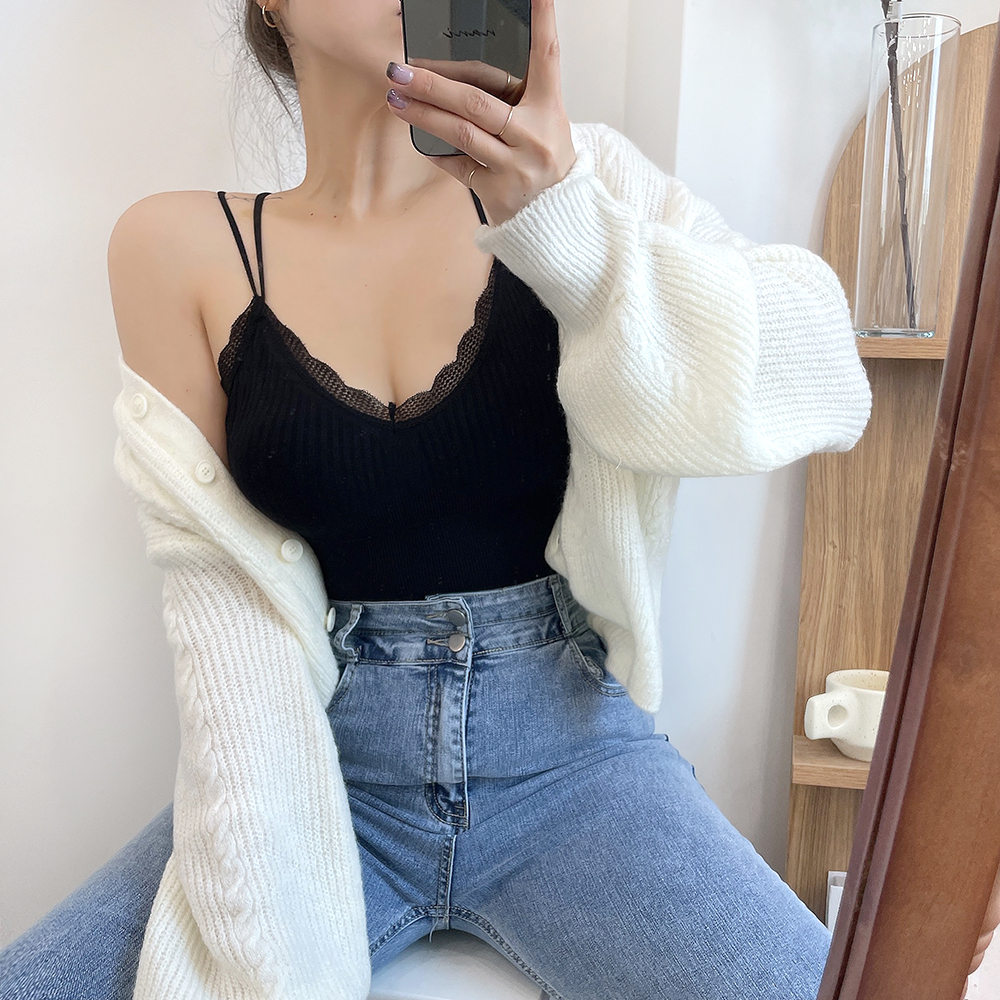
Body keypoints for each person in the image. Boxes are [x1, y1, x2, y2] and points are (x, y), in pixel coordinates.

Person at [0, 0, 873, 997]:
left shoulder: (568, 174)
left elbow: (820, 372)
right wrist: (259, 922)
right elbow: (220, 605)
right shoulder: (177, 246)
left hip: (571, 762)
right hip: (316, 761)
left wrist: (569, 221)